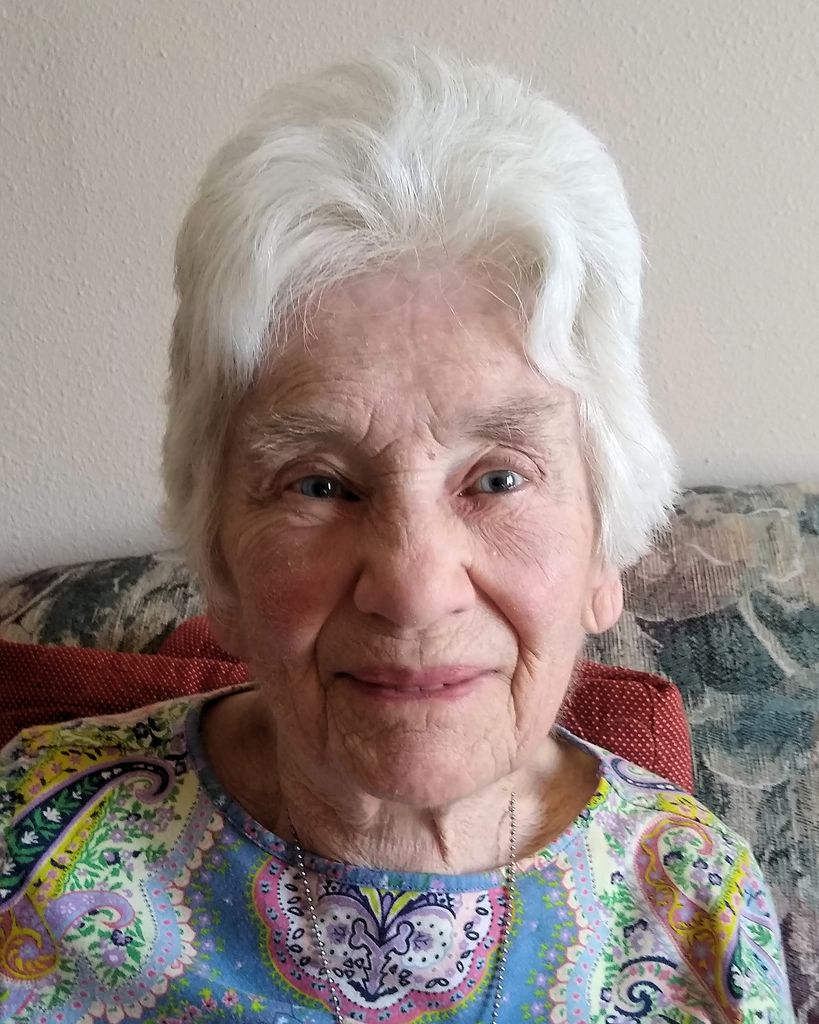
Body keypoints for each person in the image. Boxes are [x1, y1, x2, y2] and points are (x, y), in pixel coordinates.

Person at [0, 43, 794, 1023]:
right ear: (219, 563)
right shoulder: (30, 843)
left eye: (498, 478)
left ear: (603, 550)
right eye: (320, 484)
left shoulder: (698, 911)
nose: (415, 588)